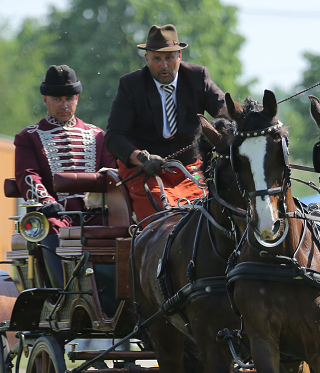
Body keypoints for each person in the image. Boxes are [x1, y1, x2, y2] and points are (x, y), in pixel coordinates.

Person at [105, 24, 226, 220]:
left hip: (191, 171)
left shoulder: (198, 77)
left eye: (169, 58)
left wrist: (249, 115)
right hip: (144, 173)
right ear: (146, 59)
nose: (163, 65)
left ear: (179, 56)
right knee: (165, 213)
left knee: (208, 212)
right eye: (156, 59)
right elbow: (113, 137)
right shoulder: (130, 85)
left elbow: (225, 112)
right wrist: (142, 158)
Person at [14, 64, 116, 286]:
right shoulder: (29, 137)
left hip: (96, 213)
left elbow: (113, 175)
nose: (64, 105)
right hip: (56, 214)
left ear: (77, 99)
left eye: (69, 98)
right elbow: (28, 175)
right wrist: (47, 202)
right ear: (45, 100)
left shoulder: (97, 135)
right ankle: (65, 294)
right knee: (49, 227)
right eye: (57, 99)